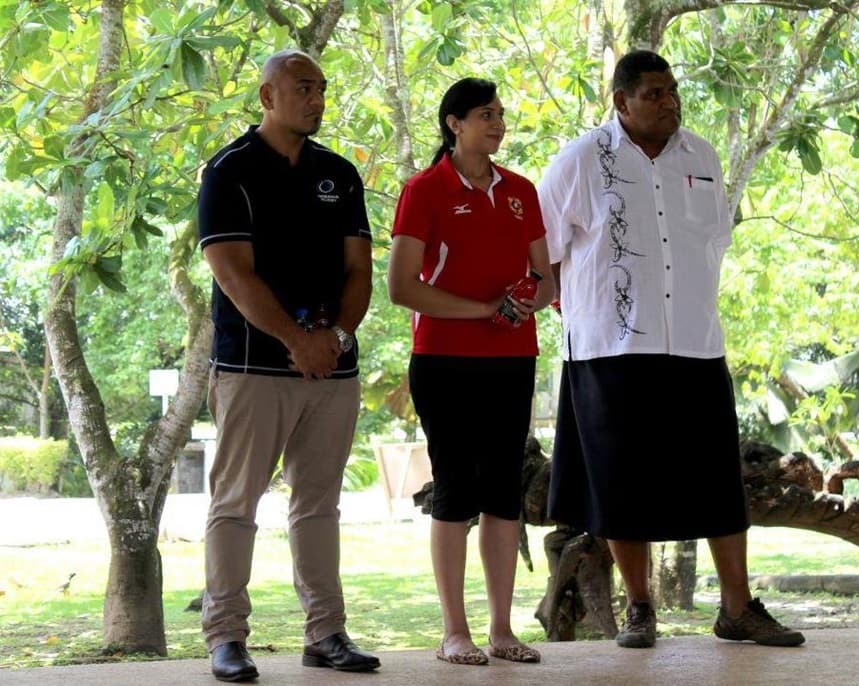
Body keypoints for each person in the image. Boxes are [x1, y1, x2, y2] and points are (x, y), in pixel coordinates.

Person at [536, 50, 805, 650]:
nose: (669, 102)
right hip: (609, 350)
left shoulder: (702, 156)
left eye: (672, 91)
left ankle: (737, 610)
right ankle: (639, 608)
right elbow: (543, 253)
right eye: (654, 93)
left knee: (716, 481)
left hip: (694, 345)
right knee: (618, 485)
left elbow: (714, 241)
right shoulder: (581, 161)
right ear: (621, 101)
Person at [197, 49, 380, 682]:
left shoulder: (341, 173)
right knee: (235, 503)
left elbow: (361, 269)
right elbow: (233, 274)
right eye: (303, 88)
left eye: (322, 88)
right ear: (267, 96)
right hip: (252, 369)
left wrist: (332, 335)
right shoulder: (229, 172)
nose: (316, 98)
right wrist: (293, 339)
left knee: (319, 505)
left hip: (332, 368)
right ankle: (225, 637)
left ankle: (325, 633)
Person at [387, 77, 554, 666]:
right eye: (486, 114)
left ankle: (502, 630)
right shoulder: (424, 189)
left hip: (513, 359)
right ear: (455, 124)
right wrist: (483, 309)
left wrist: (527, 298)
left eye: (501, 115)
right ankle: (454, 631)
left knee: (504, 492)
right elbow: (401, 287)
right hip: (444, 360)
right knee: (455, 489)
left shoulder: (522, 191)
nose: (498, 125)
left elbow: (547, 277)